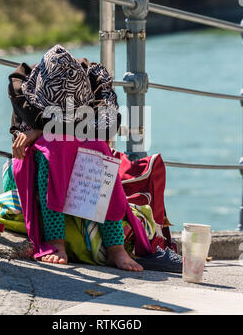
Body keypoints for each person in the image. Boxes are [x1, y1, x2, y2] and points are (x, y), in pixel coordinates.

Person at [8, 44, 144, 272]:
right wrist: (47, 132)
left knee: (99, 145)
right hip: (37, 165)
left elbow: (108, 126)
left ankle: (115, 248)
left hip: (79, 159)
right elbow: (28, 131)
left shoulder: (94, 77)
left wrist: (43, 129)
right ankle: (55, 241)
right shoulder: (23, 83)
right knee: (52, 147)